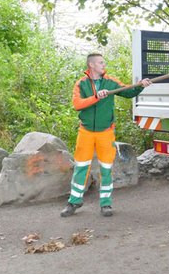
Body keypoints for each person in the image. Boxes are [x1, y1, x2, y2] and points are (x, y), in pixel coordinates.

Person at [61, 53, 151, 218]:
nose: (104, 64)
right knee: (81, 167)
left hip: (106, 133)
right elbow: (77, 105)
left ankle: (106, 204)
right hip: (86, 132)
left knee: (106, 169)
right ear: (92, 65)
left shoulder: (110, 81)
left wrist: (140, 86)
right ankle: (74, 201)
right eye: (101, 62)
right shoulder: (81, 84)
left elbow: (127, 91)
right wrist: (96, 97)